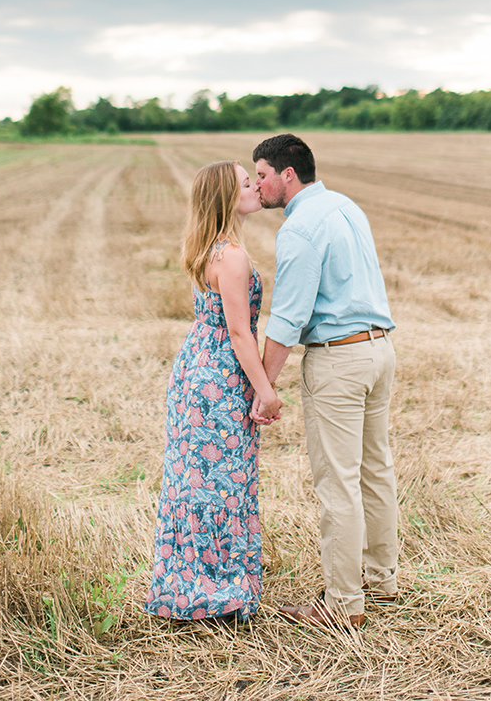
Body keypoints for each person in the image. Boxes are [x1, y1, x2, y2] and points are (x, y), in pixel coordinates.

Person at [251, 134, 398, 629]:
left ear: (287, 174)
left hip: (339, 360)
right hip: (379, 350)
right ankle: (381, 580)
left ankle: (342, 603)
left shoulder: (300, 229)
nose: (259, 185)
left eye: (263, 175)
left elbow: (287, 321)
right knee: (375, 470)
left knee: (338, 482)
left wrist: (262, 390)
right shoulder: (345, 206)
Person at [145, 160, 281, 623]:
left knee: (194, 478)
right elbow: (240, 334)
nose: (256, 189)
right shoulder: (234, 257)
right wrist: (266, 391)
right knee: (224, 480)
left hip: (194, 370)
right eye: (247, 183)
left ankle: (188, 583)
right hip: (221, 377)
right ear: (228, 198)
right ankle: (220, 589)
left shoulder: (207, 250)